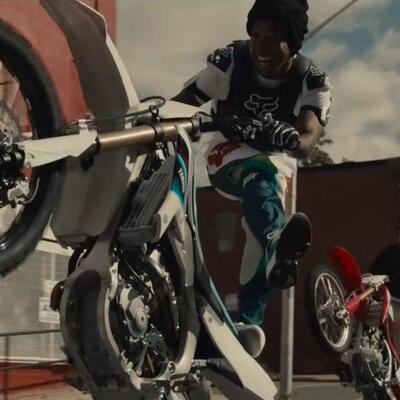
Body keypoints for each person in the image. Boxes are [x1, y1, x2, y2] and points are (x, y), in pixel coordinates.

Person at [173, 0, 332, 326]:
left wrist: (292, 139)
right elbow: (181, 104)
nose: (262, 48)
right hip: (226, 150)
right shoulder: (231, 61)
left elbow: (308, 140)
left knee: (261, 243)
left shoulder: (311, 79)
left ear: (293, 42)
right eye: (256, 35)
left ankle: (248, 323)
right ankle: (275, 239)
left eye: (273, 38)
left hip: (276, 158)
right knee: (260, 181)